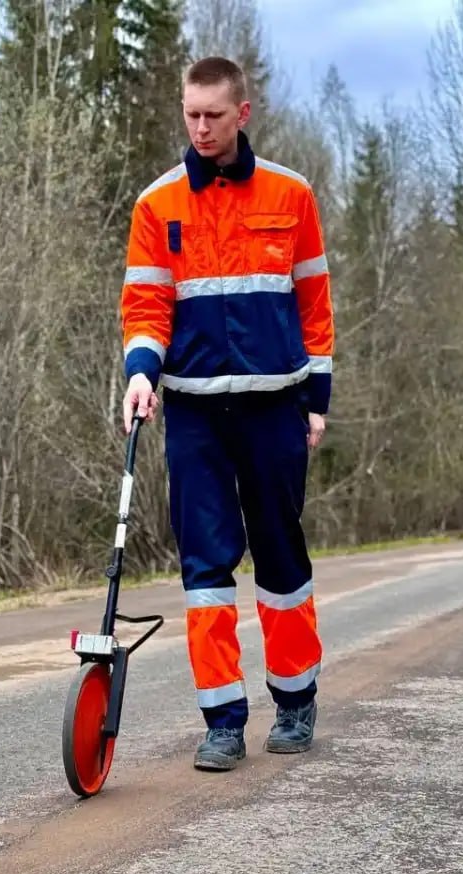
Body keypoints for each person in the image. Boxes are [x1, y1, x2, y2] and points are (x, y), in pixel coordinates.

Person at [118, 56, 334, 771]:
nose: (200, 128)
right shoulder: (157, 205)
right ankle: (222, 720)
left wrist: (317, 399)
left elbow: (314, 303)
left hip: (276, 407)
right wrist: (141, 373)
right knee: (205, 568)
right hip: (195, 415)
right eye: (190, 114)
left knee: (279, 555)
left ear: (243, 113)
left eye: (213, 115)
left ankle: (296, 701)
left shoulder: (292, 195)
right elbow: (146, 305)